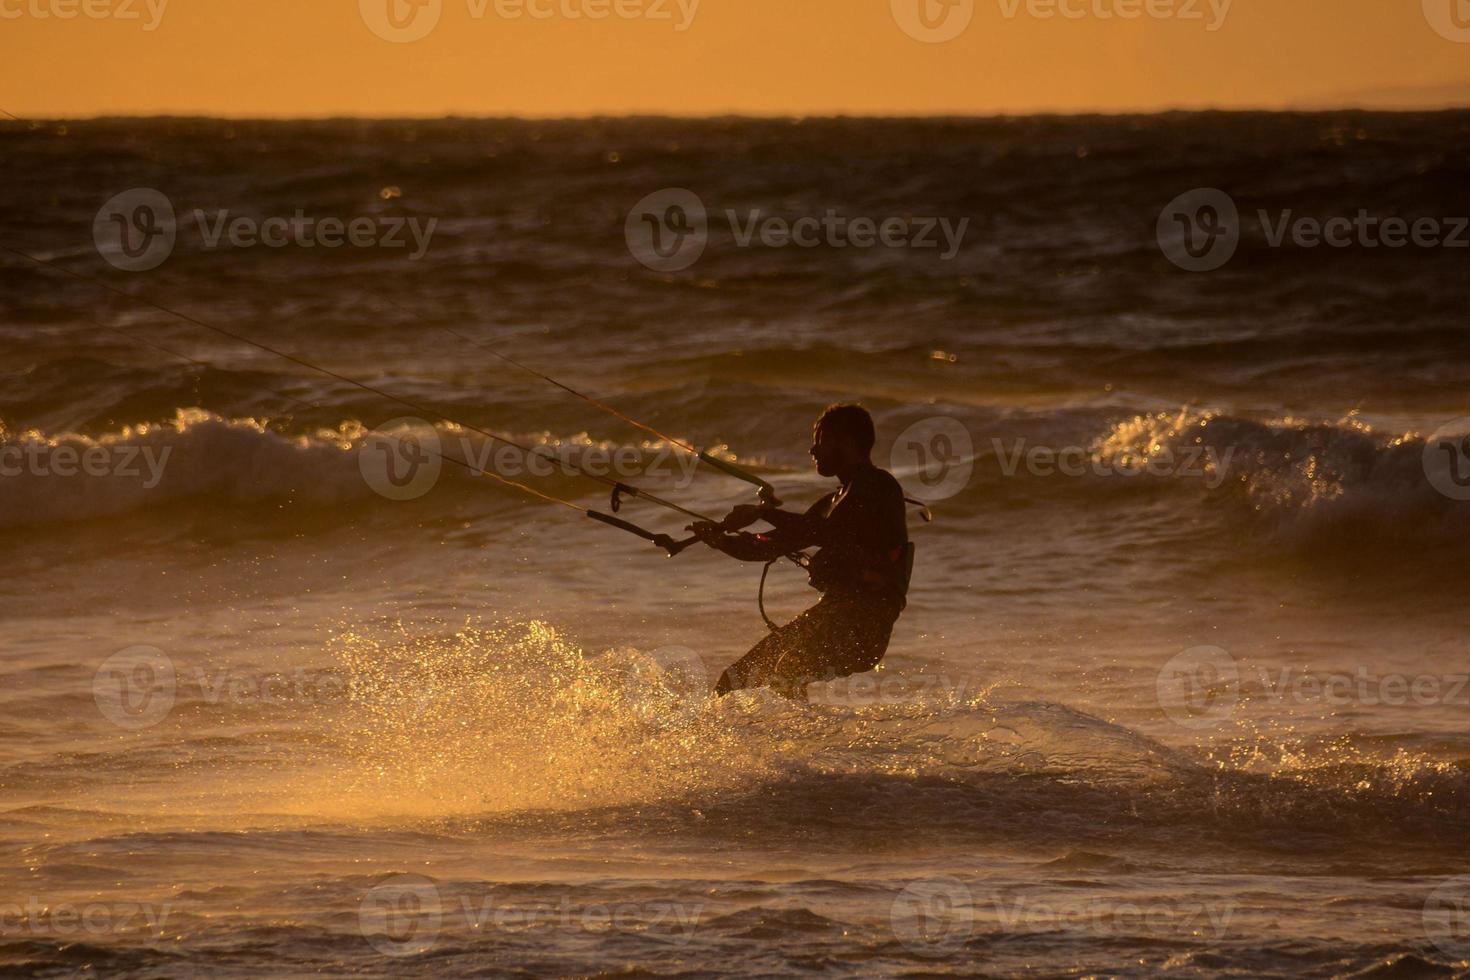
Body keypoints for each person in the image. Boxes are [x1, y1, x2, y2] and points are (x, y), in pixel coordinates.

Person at [690, 404, 913, 700]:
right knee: (731, 681)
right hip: (833, 613)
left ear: (846, 441)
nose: (812, 450)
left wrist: (763, 513)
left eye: (820, 440)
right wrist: (721, 540)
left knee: (787, 670)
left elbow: (827, 532)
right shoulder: (831, 501)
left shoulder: (878, 486)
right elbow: (775, 544)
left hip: (865, 623)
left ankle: (808, 744)